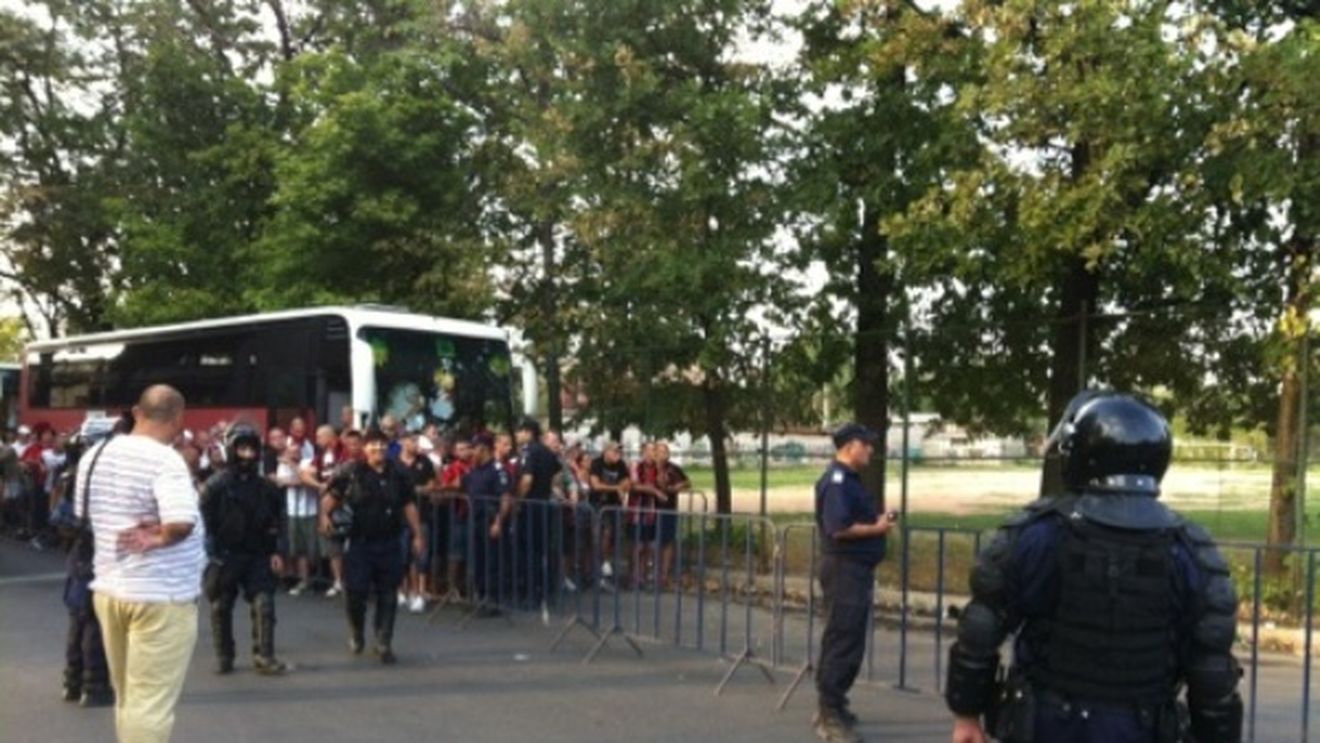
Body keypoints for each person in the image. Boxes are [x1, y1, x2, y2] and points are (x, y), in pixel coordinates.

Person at [946, 392, 1243, 743]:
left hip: (1047, 724)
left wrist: (967, 713)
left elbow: (981, 628)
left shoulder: (1038, 534)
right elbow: (1210, 668)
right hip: (1138, 727)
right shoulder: (1190, 550)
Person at [78, 385, 205, 743]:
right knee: (150, 703)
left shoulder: (96, 454)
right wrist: (159, 537)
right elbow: (180, 521)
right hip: (161, 594)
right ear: (179, 419)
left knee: (129, 698)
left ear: (137, 411)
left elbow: (80, 512)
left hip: (111, 589)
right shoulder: (165, 460)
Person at [813, 423, 894, 743]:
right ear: (850, 446)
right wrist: (878, 529)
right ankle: (829, 713)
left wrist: (878, 521)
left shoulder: (849, 481)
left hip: (854, 570)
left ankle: (834, 703)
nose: (871, 450)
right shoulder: (837, 482)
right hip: (845, 569)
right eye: (867, 444)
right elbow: (839, 527)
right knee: (843, 639)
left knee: (848, 637)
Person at [319, 427, 424, 664]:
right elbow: (330, 498)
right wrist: (324, 517)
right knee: (354, 594)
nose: (378, 449)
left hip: (389, 542)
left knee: (388, 594)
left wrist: (417, 534)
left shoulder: (399, 473)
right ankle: (357, 633)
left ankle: (383, 642)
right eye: (373, 445)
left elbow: (409, 505)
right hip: (359, 544)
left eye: (382, 445)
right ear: (365, 449)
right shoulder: (352, 472)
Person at [199, 423, 288, 675]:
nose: (247, 455)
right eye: (242, 449)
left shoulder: (267, 488)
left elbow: (279, 520)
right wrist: (208, 556)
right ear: (231, 450)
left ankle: (264, 656)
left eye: (251, 450)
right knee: (221, 605)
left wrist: (278, 551)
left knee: (264, 603)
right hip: (225, 554)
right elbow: (202, 523)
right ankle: (224, 655)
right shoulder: (215, 486)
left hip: (258, 553)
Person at [57, 418, 119, 709]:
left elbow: (60, 518)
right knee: (93, 620)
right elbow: (63, 517)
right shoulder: (87, 476)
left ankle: (73, 681)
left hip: (80, 553)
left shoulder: (73, 475)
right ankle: (93, 685)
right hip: (93, 553)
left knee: (80, 618)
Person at [515, 418, 560, 617]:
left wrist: (518, 500)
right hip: (544, 503)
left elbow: (526, 479)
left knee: (529, 550)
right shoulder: (547, 452)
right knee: (543, 548)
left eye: (519, 431)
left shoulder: (528, 451)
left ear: (527, 432)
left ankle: (531, 592)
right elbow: (556, 473)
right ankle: (545, 589)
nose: (517, 435)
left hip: (530, 505)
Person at [467, 432, 513, 615]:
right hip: (476, 520)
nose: (472, 453)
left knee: (493, 561)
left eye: (474, 449)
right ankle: (481, 596)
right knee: (479, 560)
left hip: (491, 519)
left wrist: (498, 522)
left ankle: (493, 600)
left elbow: (506, 498)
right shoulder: (475, 470)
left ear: (483, 449)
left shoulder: (497, 470)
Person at [302, 425, 347, 597]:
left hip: (345, 499)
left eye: (320, 436)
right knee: (331, 539)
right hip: (328, 501)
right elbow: (304, 474)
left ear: (330, 436)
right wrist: (319, 485)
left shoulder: (343, 451)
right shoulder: (320, 456)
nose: (317, 440)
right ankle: (338, 581)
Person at [397, 431, 437, 613]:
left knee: (420, 554)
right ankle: (402, 590)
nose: (414, 444)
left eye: (416, 440)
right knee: (402, 554)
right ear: (402, 442)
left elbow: (433, 484)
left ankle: (420, 592)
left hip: (422, 514)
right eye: (410, 440)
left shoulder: (424, 461)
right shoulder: (395, 463)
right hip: (400, 517)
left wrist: (422, 489)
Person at [589, 442, 631, 587]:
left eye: (619, 451)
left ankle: (606, 565)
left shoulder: (621, 464)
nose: (617, 454)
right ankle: (600, 564)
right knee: (604, 532)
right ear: (605, 451)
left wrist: (621, 488)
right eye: (614, 451)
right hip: (599, 504)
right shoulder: (597, 463)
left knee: (615, 535)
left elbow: (627, 482)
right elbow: (596, 485)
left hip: (614, 505)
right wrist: (617, 488)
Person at [279, 440, 318, 596]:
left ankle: (316, 578)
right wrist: (301, 479)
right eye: (291, 452)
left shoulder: (308, 462)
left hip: (310, 511)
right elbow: (281, 482)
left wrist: (296, 472)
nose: (294, 454)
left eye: (297, 451)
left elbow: (308, 480)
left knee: (313, 547)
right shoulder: (282, 466)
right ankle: (304, 579)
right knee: (298, 548)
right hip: (293, 512)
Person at [652, 442, 690, 590]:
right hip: (652, 509)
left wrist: (676, 487)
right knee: (652, 542)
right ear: (655, 453)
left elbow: (687, 482)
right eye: (660, 452)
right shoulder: (650, 468)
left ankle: (664, 576)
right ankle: (651, 573)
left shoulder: (673, 468)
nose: (663, 455)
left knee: (668, 541)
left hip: (669, 508)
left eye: (665, 452)